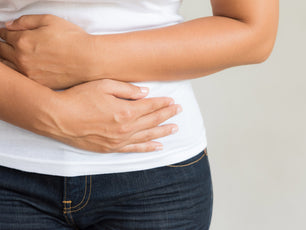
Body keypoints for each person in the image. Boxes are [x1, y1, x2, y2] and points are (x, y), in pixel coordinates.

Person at [0, 0, 279, 229]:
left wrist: (88, 55)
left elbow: (254, 32)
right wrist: (56, 114)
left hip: (158, 183)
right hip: (9, 174)